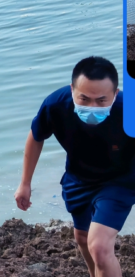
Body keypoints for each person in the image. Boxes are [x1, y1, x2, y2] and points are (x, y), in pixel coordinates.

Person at [14, 56, 133, 277]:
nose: (92, 107)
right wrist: (25, 183)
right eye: (84, 98)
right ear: (72, 90)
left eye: (101, 101)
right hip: (78, 178)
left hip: (120, 181)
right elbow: (36, 136)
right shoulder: (56, 104)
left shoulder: (129, 110)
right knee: (82, 238)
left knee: (100, 246)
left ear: (115, 94)